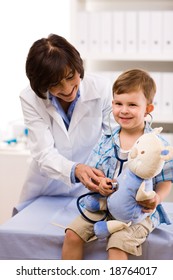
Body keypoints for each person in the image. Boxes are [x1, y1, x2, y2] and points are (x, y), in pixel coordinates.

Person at [62, 68, 173, 260]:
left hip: (137, 214)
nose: (123, 110)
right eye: (118, 103)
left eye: (132, 105)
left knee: (117, 246)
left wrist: (156, 198)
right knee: (72, 234)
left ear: (148, 109)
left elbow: (166, 181)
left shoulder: (157, 145)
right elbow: (94, 173)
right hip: (104, 206)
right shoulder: (105, 140)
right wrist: (100, 185)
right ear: (112, 103)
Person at [18, 34, 116, 208]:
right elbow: (43, 153)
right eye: (55, 84)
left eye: (71, 77)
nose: (67, 89)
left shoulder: (101, 87)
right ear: (42, 84)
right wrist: (74, 169)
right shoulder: (30, 99)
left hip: (88, 187)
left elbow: (116, 138)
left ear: (79, 68)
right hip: (46, 187)